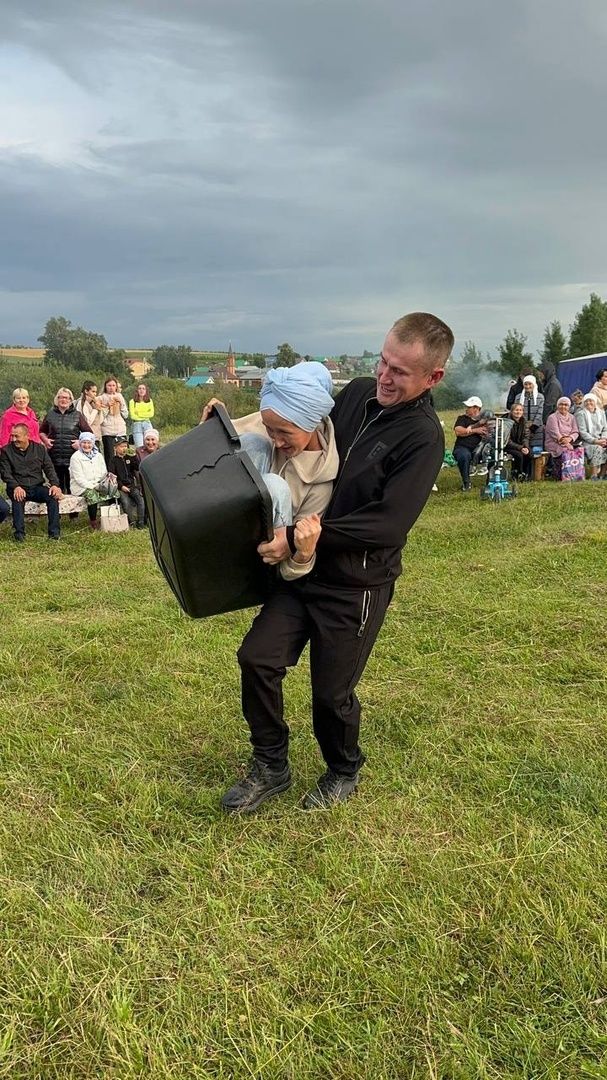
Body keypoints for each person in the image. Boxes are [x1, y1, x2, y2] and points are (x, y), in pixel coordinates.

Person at [221, 311, 454, 814]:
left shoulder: (423, 437)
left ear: (433, 377)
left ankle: (343, 768)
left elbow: (389, 524)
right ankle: (271, 765)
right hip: (301, 570)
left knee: (331, 694)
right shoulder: (353, 395)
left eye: (400, 372)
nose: (384, 378)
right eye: (383, 362)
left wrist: (309, 535)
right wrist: (230, 428)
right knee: (258, 659)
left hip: (355, 585)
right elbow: (292, 425)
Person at [200, 362, 338, 579]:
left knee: (274, 486)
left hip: (267, 554)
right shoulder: (273, 419)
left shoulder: (320, 481)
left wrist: (303, 554)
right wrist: (215, 423)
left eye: (284, 433)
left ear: (310, 424)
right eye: (269, 429)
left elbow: (293, 563)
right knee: (254, 443)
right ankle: (213, 525)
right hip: (232, 514)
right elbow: (233, 436)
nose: (277, 440)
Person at [0, 423, 62, 542]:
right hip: (17, 487)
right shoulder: (6, 451)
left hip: (36, 486)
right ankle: (19, 535)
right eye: (12, 436)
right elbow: (5, 473)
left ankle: (54, 534)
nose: (13, 439)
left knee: (53, 497)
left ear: (26, 436)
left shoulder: (39, 449)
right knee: (18, 498)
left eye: (17, 436)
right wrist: (16, 486)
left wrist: (55, 484)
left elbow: (49, 468)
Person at [40, 388, 93, 494]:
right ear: (57, 399)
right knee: (56, 486)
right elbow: (41, 431)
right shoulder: (50, 414)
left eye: (66, 398)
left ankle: (73, 510)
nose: (63, 400)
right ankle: (57, 510)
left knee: (71, 487)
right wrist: (45, 440)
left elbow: (89, 433)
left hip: (72, 457)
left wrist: (80, 442)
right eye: (61, 397)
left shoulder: (77, 415)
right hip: (54, 456)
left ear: (70, 400)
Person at [69, 431, 116, 529]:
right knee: (92, 494)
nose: (87, 445)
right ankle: (93, 522)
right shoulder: (75, 457)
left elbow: (103, 471)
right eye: (84, 442)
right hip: (80, 486)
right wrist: (94, 486)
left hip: (98, 483)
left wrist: (104, 481)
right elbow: (79, 479)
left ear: (93, 443)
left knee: (114, 492)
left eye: (89, 442)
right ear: (80, 443)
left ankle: (111, 518)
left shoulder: (98, 455)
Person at [452, 397, 488, 491]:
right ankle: (466, 482)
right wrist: (475, 430)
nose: (466, 409)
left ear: (476, 408)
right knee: (463, 455)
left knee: (491, 454)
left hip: (481, 448)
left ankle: (490, 481)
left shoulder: (484, 420)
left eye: (469, 407)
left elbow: (489, 432)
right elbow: (458, 431)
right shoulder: (462, 418)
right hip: (463, 447)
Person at [544, 396, 582, 479]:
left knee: (579, 450)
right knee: (563, 450)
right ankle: (561, 475)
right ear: (557, 406)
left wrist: (570, 438)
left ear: (569, 406)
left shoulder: (572, 417)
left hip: (569, 442)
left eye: (566, 405)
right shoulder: (552, 417)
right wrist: (567, 443)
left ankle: (575, 474)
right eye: (561, 404)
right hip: (554, 442)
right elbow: (555, 433)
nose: (563, 407)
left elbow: (576, 431)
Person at [111, 436, 145, 527]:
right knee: (125, 502)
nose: (124, 448)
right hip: (121, 487)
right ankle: (131, 522)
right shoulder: (113, 461)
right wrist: (121, 486)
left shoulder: (129, 458)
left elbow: (137, 467)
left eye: (125, 446)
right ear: (115, 448)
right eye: (121, 446)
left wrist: (134, 457)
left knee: (140, 500)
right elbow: (113, 477)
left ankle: (141, 521)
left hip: (132, 485)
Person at [575, 393, 607, 479]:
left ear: (595, 402)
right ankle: (594, 475)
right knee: (597, 448)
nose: (589, 403)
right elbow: (583, 432)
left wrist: (603, 439)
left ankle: (602, 474)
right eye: (586, 401)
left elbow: (605, 429)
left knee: (604, 447)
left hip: (601, 440)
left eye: (591, 400)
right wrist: (595, 441)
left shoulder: (601, 412)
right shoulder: (581, 414)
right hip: (587, 442)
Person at [98, 377, 128, 463]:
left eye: (113, 385)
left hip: (120, 429)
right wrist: (107, 406)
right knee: (110, 456)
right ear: (105, 386)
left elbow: (125, 414)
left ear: (116, 387)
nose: (111, 387)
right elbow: (100, 417)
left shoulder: (120, 396)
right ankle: (111, 474)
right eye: (109, 385)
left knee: (123, 454)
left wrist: (121, 403)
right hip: (107, 430)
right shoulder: (101, 398)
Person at [503, 402, 531, 480]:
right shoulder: (506, 422)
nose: (518, 412)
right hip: (507, 446)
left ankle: (525, 473)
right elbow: (507, 440)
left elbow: (526, 436)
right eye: (516, 410)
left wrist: (525, 447)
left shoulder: (524, 421)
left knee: (529, 453)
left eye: (520, 410)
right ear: (511, 411)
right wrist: (520, 448)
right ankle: (516, 474)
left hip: (520, 445)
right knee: (519, 455)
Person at [516, 375, 545, 449]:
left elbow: (540, 413)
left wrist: (533, 427)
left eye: (530, 384)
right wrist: (524, 425)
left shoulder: (540, 397)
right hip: (522, 429)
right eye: (525, 384)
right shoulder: (518, 397)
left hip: (537, 430)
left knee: (537, 452)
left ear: (534, 384)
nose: (528, 386)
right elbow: (516, 412)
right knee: (524, 451)